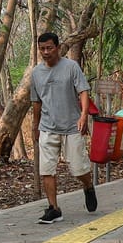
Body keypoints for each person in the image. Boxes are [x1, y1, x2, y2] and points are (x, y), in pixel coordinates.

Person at [30, 31, 97, 224]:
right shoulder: (36, 73)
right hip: (47, 127)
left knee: (78, 169)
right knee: (47, 170)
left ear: (58, 47)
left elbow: (83, 91)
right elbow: (36, 102)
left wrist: (84, 115)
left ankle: (88, 186)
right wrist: (35, 125)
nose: (46, 52)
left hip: (72, 126)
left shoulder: (71, 67)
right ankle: (54, 208)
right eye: (42, 48)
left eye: (49, 48)